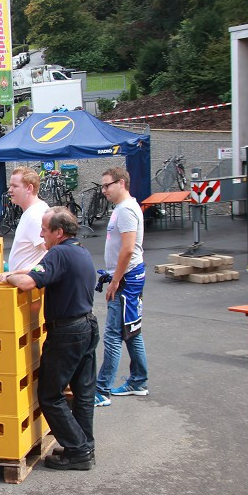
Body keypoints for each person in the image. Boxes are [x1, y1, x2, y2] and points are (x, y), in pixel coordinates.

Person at [0, 207, 98, 471]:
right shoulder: (81, 251)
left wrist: (8, 276)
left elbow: (29, 282)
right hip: (87, 325)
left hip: (68, 332)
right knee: (83, 392)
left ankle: (78, 451)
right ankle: (85, 444)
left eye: (44, 229)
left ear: (58, 232)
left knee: (50, 394)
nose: (41, 233)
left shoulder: (58, 253)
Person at [94, 166, 148, 406]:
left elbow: (127, 249)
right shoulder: (122, 208)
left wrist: (115, 280)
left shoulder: (126, 210)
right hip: (128, 276)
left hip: (126, 279)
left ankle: (102, 390)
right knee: (130, 331)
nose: (104, 190)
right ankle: (138, 381)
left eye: (107, 185)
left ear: (121, 183)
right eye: (103, 186)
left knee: (113, 335)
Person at [6, 167, 50, 272]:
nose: (10, 190)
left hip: (27, 284)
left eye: (15, 186)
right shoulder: (32, 212)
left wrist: (22, 271)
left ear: (29, 188)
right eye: (10, 185)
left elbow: (51, 252)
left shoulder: (35, 216)